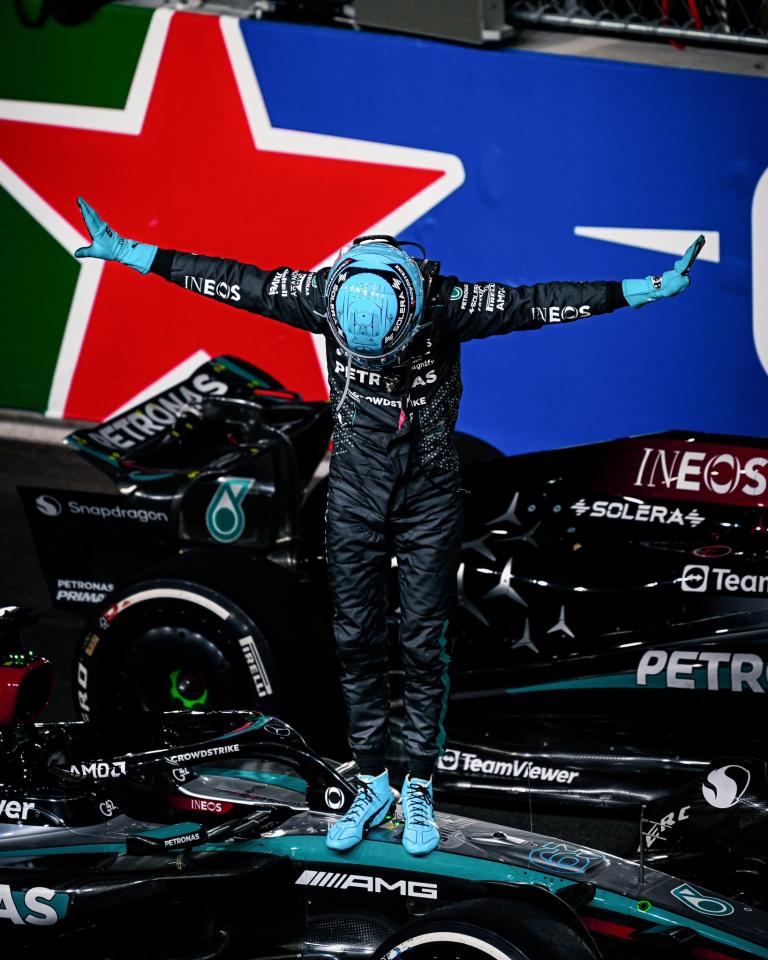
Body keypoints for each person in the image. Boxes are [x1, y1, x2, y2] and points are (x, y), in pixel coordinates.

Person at [74, 197, 702, 856]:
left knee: (425, 646)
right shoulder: (320, 297)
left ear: (410, 311)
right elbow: (232, 281)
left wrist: (644, 288)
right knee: (356, 642)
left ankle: (419, 787)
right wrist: (132, 253)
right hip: (354, 496)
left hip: (430, 497)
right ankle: (372, 782)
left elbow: (542, 303)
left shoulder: (450, 303)